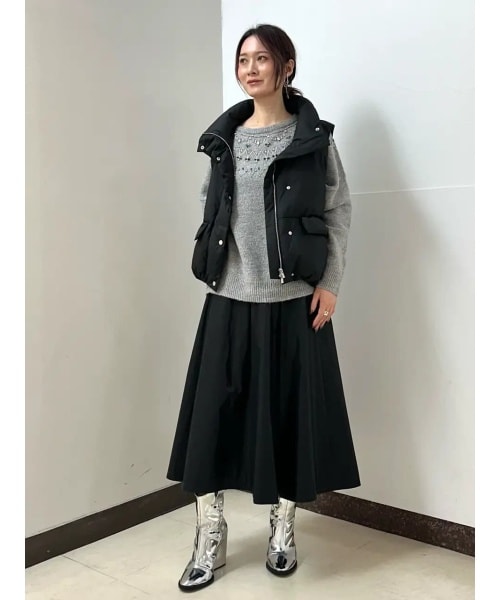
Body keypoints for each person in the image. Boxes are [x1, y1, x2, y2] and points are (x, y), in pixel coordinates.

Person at [166, 23, 360, 592]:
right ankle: (210, 534)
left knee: (288, 418)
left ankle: (283, 528)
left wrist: (330, 282)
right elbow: (211, 204)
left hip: (294, 301)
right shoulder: (224, 139)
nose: (250, 69)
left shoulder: (313, 139)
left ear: (286, 66)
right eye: (243, 60)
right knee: (211, 425)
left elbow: (338, 210)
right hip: (228, 298)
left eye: (262, 59)